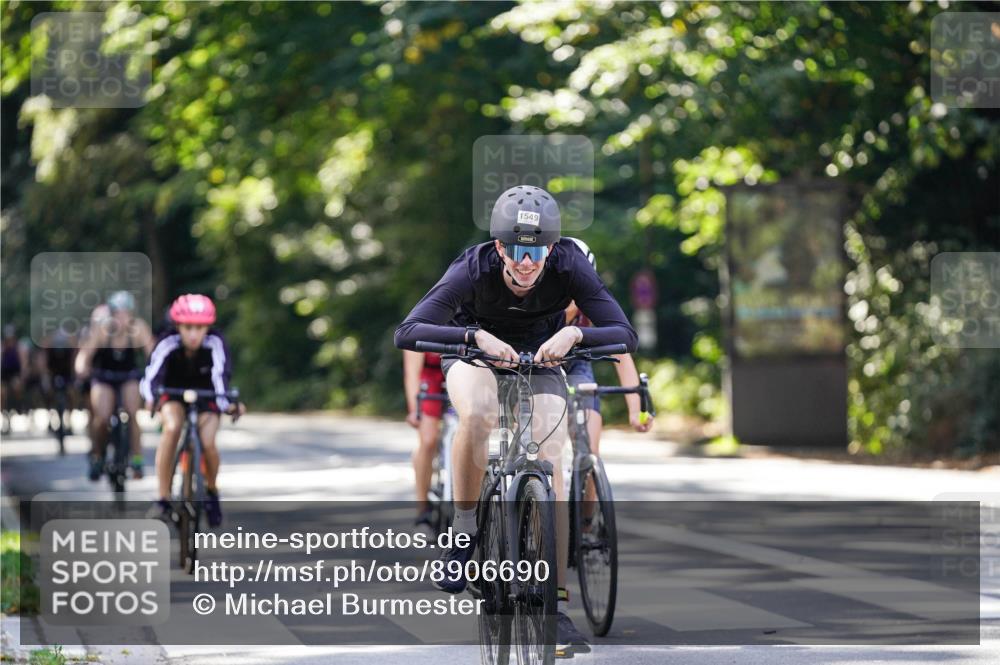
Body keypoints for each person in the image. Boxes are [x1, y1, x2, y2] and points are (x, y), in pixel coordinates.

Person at [395, 185, 638, 654]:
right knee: (480, 414)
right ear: (500, 247)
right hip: (474, 354)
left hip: (540, 357)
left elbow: (623, 333)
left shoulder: (569, 263)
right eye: (518, 250)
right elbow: (407, 331)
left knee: (553, 453)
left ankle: (554, 602)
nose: (528, 262)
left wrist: (571, 334)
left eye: (537, 250)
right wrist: (474, 336)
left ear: (551, 248)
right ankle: (464, 531)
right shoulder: (472, 267)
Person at [140, 294, 244, 527]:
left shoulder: (216, 343)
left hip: (208, 395)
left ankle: (211, 490)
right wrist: (150, 399)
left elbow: (220, 378)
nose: (194, 334)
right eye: (188, 328)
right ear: (178, 326)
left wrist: (228, 405)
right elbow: (151, 377)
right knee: (173, 427)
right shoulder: (167, 342)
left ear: (208, 327)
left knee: (208, 443)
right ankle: (163, 498)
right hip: (173, 393)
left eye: (200, 328)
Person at [563, 237, 654, 450]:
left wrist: (635, 411)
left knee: (590, 446)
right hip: (538, 365)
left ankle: (588, 472)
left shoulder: (592, 303)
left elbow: (621, 353)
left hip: (577, 364)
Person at [74, 292, 155, 480]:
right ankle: (97, 456)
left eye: (126, 313)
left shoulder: (139, 328)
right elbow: (84, 356)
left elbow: (153, 353)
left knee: (133, 412)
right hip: (104, 377)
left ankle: (137, 458)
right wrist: (81, 368)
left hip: (129, 376)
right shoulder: (101, 330)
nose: (122, 318)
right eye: (118, 313)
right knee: (101, 417)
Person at [403, 350, 446, 531]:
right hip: (429, 379)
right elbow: (412, 372)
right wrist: (415, 410)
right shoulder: (419, 321)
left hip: (460, 373)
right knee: (428, 440)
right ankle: (423, 508)